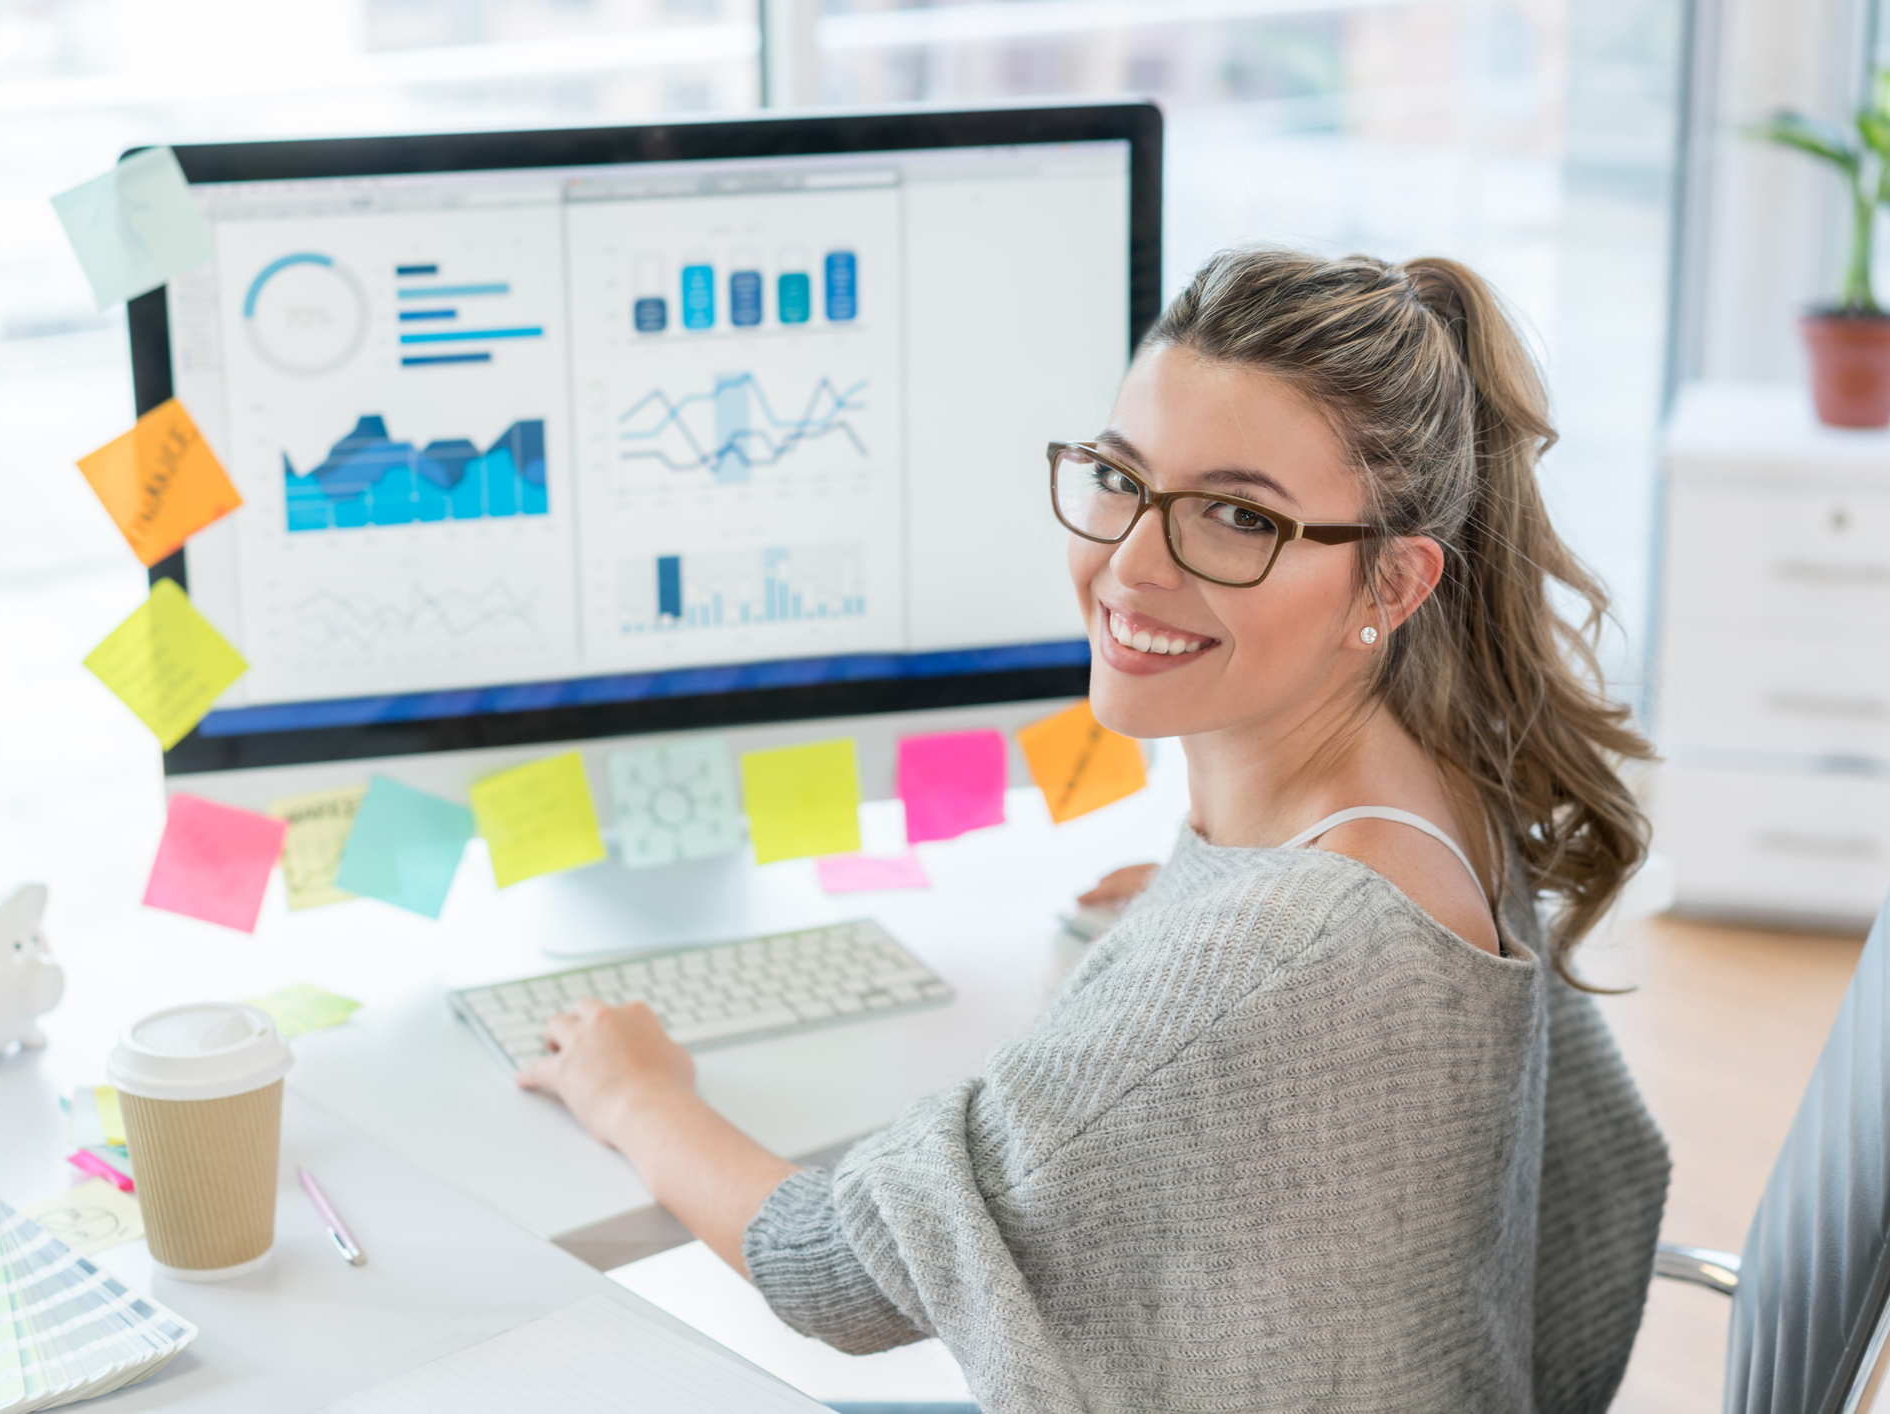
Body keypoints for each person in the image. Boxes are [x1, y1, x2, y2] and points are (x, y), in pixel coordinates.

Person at [517, 248, 1670, 1413]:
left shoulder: (1275, 948)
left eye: (1235, 517)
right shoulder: (1440, 784)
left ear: (1391, 584)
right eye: (1118, 477)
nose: (1128, 564)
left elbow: (836, 1271)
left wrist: (632, 1092)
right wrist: (1190, 923)